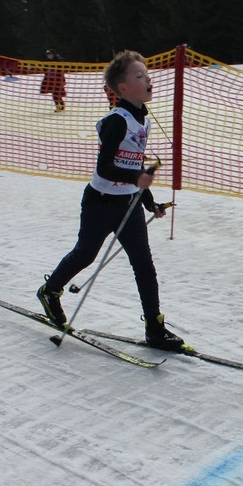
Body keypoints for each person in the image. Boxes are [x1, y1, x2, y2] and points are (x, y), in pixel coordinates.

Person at [36, 50, 184, 351]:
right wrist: (135, 178)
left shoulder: (143, 121)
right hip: (100, 202)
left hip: (128, 204)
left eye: (147, 74)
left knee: (144, 264)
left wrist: (149, 202)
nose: (148, 79)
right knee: (85, 254)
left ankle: (155, 327)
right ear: (123, 88)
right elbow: (105, 167)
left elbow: (135, 165)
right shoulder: (117, 121)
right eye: (139, 76)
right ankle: (50, 291)